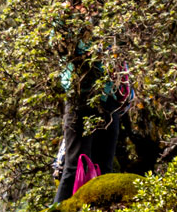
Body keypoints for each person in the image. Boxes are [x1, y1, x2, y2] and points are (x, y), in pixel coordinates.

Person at [52, 58, 130, 202]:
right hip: (82, 96)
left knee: (104, 169)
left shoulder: (114, 45)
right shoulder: (74, 45)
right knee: (75, 167)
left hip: (110, 101)